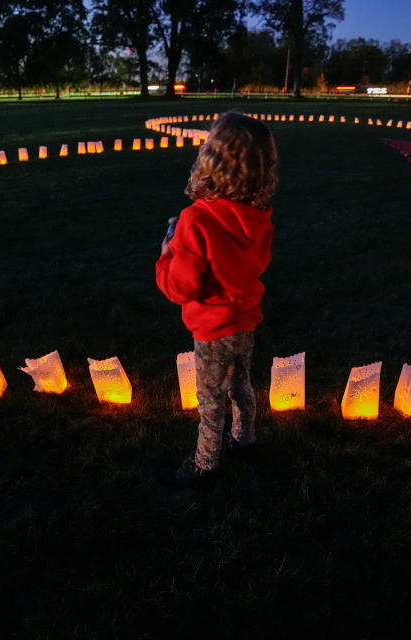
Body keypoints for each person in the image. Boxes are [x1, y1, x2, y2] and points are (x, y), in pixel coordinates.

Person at [156, 111, 278, 488]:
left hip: (212, 329)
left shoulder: (196, 220)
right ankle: (245, 439)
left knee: (210, 397)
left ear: (211, 159)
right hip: (244, 318)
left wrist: (166, 254)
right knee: (241, 382)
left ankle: (205, 462)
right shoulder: (258, 216)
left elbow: (181, 288)